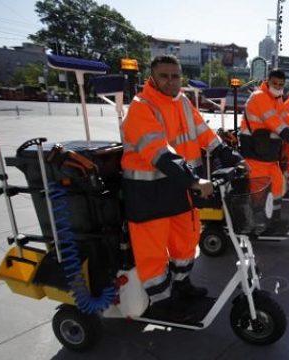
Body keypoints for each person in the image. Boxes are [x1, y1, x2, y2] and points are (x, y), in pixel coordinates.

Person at [121, 55, 245, 321]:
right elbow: (159, 152)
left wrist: (224, 152)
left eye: (175, 76)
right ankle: (163, 302)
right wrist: (194, 180)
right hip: (149, 193)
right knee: (153, 251)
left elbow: (202, 131)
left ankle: (181, 285)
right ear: (152, 77)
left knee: (185, 239)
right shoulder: (141, 107)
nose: (170, 81)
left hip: (180, 187)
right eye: (164, 76)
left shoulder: (183, 102)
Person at [239, 69, 289, 224]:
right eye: (274, 83)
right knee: (259, 192)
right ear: (267, 81)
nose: (277, 86)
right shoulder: (260, 97)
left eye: (281, 84)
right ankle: (256, 222)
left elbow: (286, 118)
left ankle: (273, 219)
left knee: (277, 186)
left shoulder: (276, 99)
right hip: (255, 154)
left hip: (268, 154)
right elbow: (276, 124)